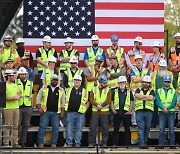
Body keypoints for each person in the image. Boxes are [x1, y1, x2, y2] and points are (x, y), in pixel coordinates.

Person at [36, 74, 65, 148]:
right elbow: (38, 99)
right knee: (42, 127)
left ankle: (53, 143)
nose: (54, 81)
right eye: (53, 80)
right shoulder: (44, 88)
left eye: (56, 80)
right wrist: (39, 109)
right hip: (45, 112)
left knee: (55, 128)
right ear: (50, 80)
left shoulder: (61, 90)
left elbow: (63, 102)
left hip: (56, 113)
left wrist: (62, 112)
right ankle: (40, 143)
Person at [64, 75, 89, 147]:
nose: (77, 81)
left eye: (78, 80)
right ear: (73, 81)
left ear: (81, 82)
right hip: (70, 112)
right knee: (69, 128)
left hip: (80, 113)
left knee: (79, 129)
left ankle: (77, 143)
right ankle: (69, 143)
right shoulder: (68, 90)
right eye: (75, 80)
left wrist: (85, 109)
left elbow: (88, 102)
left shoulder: (85, 91)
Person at [151, 59, 176, 128]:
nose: (162, 68)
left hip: (168, 97)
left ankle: (167, 125)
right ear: (158, 66)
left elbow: (175, 85)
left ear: (166, 67)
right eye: (161, 66)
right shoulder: (153, 74)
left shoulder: (170, 74)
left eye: (164, 67)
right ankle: (154, 123)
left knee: (167, 112)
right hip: (156, 96)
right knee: (155, 111)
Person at [89, 75, 111, 147]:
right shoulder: (94, 89)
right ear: (100, 82)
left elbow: (108, 100)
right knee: (92, 128)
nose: (105, 84)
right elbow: (91, 99)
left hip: (104, 112)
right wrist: (96, 105)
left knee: (105, 128)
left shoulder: (108, 89)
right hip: (95, 112)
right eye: (104, 83)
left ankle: (104, 143)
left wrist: (101, 106)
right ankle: (92, 143)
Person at [111, 76, 134, 146]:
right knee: (116, 129)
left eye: (123, 82)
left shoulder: (129, 91)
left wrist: (130, 110)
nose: (122, 84)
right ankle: (115, 144)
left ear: (125, 83)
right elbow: (111, 101)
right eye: (120, 82)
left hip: (126, 112)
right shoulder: (114, 91)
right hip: (117, 112)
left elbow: (131, 101)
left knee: (127, 129)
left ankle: (128, 144)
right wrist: (113, 110)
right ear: (118, 83)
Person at [156, 76, 177, 149]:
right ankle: (160, 145)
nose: (167, 83)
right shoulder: (159, 90)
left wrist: (167, 108)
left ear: (170, 82)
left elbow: (174, 101)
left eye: (168, 82)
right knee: (161, 129)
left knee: (171, 129)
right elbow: (158, 101)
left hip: (170, 112)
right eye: (166, 81)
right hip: (162, 112)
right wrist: (163, 108)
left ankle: (172, 145)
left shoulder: (173, 91)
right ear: (164, 82)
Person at [135, 76, 155, 148]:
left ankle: (145, 143)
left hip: (149, 112)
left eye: (147, 82)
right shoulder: (138, 90)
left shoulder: (152, 91)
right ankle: (141, 144)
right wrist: (146, 97)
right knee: (141, 128)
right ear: (142, 83)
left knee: (147, 128)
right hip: (139, 111)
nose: (145, 83)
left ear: (149, 83)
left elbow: (151, 98)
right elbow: (137, 96)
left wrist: (142, 97)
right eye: (144, 82)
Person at [130, 55, 150, 126]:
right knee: (134, 107)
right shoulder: (133, 70)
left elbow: (147, 80)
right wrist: (143, 79)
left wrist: (138, 79)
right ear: (135, 62)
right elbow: (134, 79)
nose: (139, 62)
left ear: (142, 61)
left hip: (143, 90)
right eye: (137, 60)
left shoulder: (146, 70)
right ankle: (134, 121)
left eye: (140, 60)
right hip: (134, 90)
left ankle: (142, 121)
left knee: (142, 106)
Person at [3, 69, 21, 148]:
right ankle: (6, 142)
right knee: (7, 125)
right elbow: (4, 97)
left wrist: (18, 96)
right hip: (8, 108)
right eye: (12, 76)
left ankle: (15, 142)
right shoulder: (4, 85)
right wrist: (15, 97)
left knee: (15, 126)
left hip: (16, 107)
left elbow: (19, 94)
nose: (13, 77)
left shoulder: (15, 85)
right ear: (8, 76)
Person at [16, 67, 33, 147]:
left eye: (24, 74)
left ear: (26, 75)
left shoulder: (30, 83)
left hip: (28, 106)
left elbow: (32, 95)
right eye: (21, 74)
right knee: (17, 125)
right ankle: (17, 141)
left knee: (25, 125)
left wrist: (32, 106)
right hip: (18, 105)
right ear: (18, 75)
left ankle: (23, 142)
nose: (22, 76)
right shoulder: (15, 83)